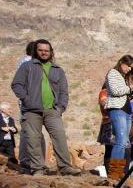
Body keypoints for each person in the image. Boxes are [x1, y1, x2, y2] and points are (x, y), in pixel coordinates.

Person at [11, 39, 81, 175]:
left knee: (59, 136)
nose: (44, 53)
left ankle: (65, 167)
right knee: (33, 139)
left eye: (46, 51)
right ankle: (37, 168)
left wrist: (60, 107)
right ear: (36, 51)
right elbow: (16, 84)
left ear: (51, 52)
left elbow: (63, 91)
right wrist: (26, 99)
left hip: (52, 110)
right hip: (31, 111)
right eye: (41, 50)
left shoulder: (57, 70)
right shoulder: (27, 66)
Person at [103, 54, 133, 181]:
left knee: (124, 142)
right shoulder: (113, 73)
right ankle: (114, 173)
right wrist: (130, 88)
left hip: (126, 110)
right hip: (118, 110)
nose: (129, 69)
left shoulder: (122, 77)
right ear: (121, 62)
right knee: (120, 141)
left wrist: (132, 92)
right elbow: (116, 91)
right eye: (128, 66)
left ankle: (120, 172)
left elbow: (122, 94)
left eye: (131, 67)